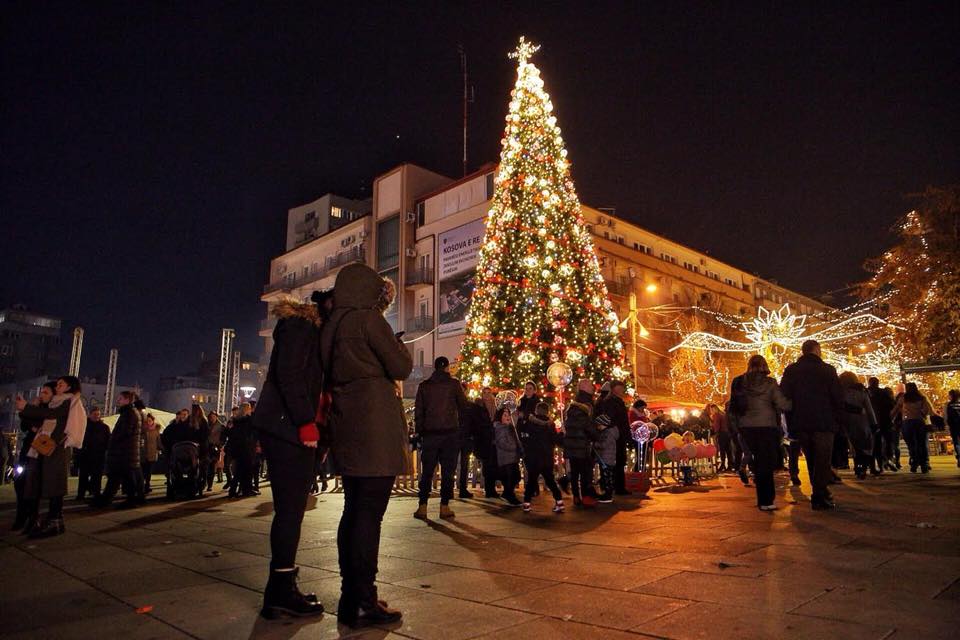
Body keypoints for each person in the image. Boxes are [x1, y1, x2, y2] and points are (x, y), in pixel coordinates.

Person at [319, 264, 412, 627]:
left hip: (347, 423)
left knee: (354, 510)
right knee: (370, 515)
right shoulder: (369, 321)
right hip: (376, 425)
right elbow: (401, 366)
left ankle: (350, 596)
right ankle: (364, 601)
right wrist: (396, 342)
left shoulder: (333, 326)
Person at [252, 295, 328, 619]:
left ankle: (281, 586)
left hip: (288, 428)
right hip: (287, 429)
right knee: (289, 511)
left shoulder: (307, 329)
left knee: (291, 510)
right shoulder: (301, 325)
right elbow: (290, 374)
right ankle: (281, 590)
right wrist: (305, 422)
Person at [15, 375, 87, 537]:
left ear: (69, 387)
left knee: (55, 484)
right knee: (50, 484)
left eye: (61, 384)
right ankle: (54, 521)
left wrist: (26, 407)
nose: (58, 386)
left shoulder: (67, 401)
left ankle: (54, 521)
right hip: (50, 446)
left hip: (57, 447)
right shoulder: (60, 400)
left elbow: (52, 414)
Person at [780, 340, 844, 510]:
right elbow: (837, 397)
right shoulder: (828, 370)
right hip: (823, 421)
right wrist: (838, 420)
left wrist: (791, 419)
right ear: (816, 350)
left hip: (801, 422)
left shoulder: (791, 370)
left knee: (812, 458)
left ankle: (820, 492)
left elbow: (784, 396)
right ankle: (820, 494)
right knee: (822, 460)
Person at [728, 356, 791, 510]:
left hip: (746, 427)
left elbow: (733, 407)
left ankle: (762, 498)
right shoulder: (770, 383)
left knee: (756, 459)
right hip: (766, 426)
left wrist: (737, 427)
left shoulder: (739, 382)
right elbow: (783, 404)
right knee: (766, 462)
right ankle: (767, 500)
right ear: (764, 366)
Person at [413, 356, 470, 520]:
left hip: (430, 435)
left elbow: (419, 411)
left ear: (435, 368)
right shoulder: (454, 385)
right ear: (446, 369)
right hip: (450, 434)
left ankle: (422, 506)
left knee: (427, 472)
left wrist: (420, 431)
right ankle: (444, 506)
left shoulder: (424, 386)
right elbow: (463, 406)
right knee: (448, 472)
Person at [11, 381, 54, 532]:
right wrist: (31, 409)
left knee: (32, 487)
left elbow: (42, 426)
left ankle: (31, 518)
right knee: (20, 483)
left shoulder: (52, 410)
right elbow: (25, 426)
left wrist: (31, 413)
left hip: (39, 452)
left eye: (46, 392)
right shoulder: (37, 408)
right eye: (42, 391)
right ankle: (22, 516)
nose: (42, 394)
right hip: (28, 449)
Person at [95, 391, 143, 509]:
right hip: (126, 452)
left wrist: (114, 440)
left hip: (124, 452)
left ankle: (127, 500)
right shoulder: (130, 412)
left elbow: (125, 432)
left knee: (119, 477)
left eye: (120, 398)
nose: (118, 401)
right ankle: (108, 499)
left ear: (127, 400)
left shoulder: (129, 413)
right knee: (118, 477)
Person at [519, 401, 563, 513]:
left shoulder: (530, 423)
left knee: (532, 481)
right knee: (550, 480)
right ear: (547, 412)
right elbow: (556, 440)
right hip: (547, 458)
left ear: (536, 410)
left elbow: (523, 435)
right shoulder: (550, 425)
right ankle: (559, 501)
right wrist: (561, 433)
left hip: (534, 457)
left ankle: (527, 503)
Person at [563, 379, 598, 508]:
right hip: (581, 444)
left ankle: (577, 497)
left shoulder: (574, 404)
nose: (592, 386)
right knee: (584, 472)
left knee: (576, 471)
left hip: (573, 444)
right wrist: (596, 434)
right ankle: (585, 497)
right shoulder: (585, 404)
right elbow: (587, 425)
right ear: (583, 387)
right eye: (589, 384)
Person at [839, 372, 878, 480]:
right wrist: (874, 424)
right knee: (864, 446)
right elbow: (869, 410)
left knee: (854, 447)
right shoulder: (862, 392)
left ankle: (858, 467)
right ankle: (863, 468)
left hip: (847, 422)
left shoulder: (841, 393)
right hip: (862, 422)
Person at [893, 382, 935, 473]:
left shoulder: (903, 398)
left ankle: (914, 462)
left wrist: (891, 419)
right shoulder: (922, 398)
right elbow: (926, 410)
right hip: (919, 422)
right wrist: (921, 414)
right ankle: (924, 464)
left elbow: (896, 409)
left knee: (911, 444)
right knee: (922, 443)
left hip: (907, 423)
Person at [597, 380, 630, 495]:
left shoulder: (617, 401)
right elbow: (609, 419)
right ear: (614, 389)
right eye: (619, 388)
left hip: (618, 435)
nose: (621, 391)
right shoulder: (610, 402)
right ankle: (612, 487)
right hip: (613, 435)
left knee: (618, 461)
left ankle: (616, 486)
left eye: (622, 389)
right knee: (613, 461)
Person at [471, 388, 499, 498]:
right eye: (484, 393)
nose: (487, 395)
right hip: (483, 440)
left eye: (489, 393)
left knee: (493, 465)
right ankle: (489, 490)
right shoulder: (478, 407)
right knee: (487, 466)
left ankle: (491, 489)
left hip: (494, 440)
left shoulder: (495, 406)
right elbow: (476, 423)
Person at [77, 407, 110, 501]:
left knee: (97, 476)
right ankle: (81, 494)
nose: (96, 416)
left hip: (98, 455)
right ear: (90, 414)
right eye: (95, 414)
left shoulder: (104, 427)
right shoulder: (84, 426)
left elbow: (108, 441)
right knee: (83, 476)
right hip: (85, 455)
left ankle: (96, 492)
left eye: (98, 415)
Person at [493, 406, 523, 506]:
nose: (508, 417)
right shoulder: (501, 428)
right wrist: (514, 447)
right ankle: (509, 495)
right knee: (512, 477)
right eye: (505, 415)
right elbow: (502, 443)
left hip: (513, 457)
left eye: (509, 415)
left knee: (515, 477)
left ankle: (507, 494)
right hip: (506, 457)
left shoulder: (511, 427)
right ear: (500, 417)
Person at [867, 377, 896, 472]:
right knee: (885, 442)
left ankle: (872, 466)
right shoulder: (883, 393)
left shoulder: (866, 393)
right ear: (878, 383)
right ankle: (883, 463)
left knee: (872, 445)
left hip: (871, 422)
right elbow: (892, 404)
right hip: (884, 421)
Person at [229, 402, 257, 498]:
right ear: (246, 409)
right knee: (247, 471)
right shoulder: (248, 420)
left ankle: (233, 490)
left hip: (238, 448)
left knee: (239, 470)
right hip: (246, 448)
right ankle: (246, 490)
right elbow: (251, 433)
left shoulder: (236, 421)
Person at [456, 383, 477, 499]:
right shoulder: (453, 405)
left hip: (466, 438)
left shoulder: (470, 406)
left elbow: (473, 423)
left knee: (464, 465)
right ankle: (449, 489)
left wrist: (472, 436)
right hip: (454, 438)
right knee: (451, 465)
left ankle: (463, 489)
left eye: (463, 390)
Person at [593, 413, 619, 503]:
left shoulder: (608, 434)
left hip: (607, 459)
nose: (598, 427)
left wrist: (595, 444)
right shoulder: (608, 432)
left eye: (598, 425)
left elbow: (604, 445)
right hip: (607, 458)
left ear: (603, 424)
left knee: (607, 478)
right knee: (606, 477)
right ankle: (606, 494)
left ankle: (608, 496)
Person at [707, 404, 732, 472]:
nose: (711, 411)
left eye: (711, 410)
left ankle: (722, 465)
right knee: (728, 450)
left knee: (722, 450)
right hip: (727, 433)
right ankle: (730, 465)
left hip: (721, 434)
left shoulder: (716, 415)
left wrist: (715, 432)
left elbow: (717, 425)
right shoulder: (723, 414)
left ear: (714, 409)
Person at [141, 413, 161, 494]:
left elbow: (158, 442)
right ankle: (141, 486)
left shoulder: (156, 431)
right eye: (147, 421)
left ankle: (147, 486)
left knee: (149, 471)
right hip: (143, 453)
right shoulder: (143, 430)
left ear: (153, 421)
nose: (148, 422)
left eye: (150, 421)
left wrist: (160, 449)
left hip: (152, 453)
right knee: (142, 471)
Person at [206, 410, 223, 491]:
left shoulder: (221, 426)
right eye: (211, 417)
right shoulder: (206, 425)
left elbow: (223, 438)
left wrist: (220, 445)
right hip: (207, 447)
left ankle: (210, 484)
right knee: (206, 466)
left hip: (215, 448)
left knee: (212, 466)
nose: (212, 418)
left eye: (213, 416)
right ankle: (205, 482)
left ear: (216, 417)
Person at [946, 389, 960, 468]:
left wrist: (949, 425)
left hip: (954, 427)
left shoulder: (950, 405)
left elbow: (949, 418)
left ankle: (959, 456)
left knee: (956, 442)